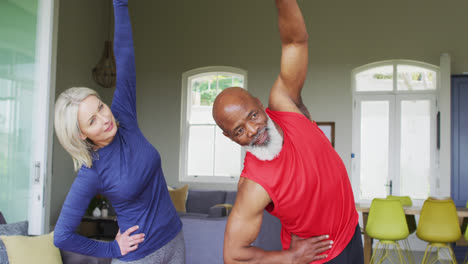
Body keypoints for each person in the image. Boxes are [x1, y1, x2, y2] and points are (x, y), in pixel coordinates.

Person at [212, 0, 363, 263]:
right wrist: (290, 257)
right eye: (239, 131)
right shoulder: (253, 185)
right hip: (321, 257)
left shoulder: (285, 103)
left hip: (351, 232)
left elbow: (295, 42)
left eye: (253, 115)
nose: (253, 130)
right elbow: (232, 255)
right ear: (230, 138)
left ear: (260, 103)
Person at [53, 0, 185, 263]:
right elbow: (62, 236)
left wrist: (120, 4)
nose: (105, 118)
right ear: (82, 135)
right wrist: (112, 250)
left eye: (101, 107)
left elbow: (124, 56)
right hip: (139, 257)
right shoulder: (92, 172)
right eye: (92, 120)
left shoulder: (123, 116)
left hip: (175, 240)